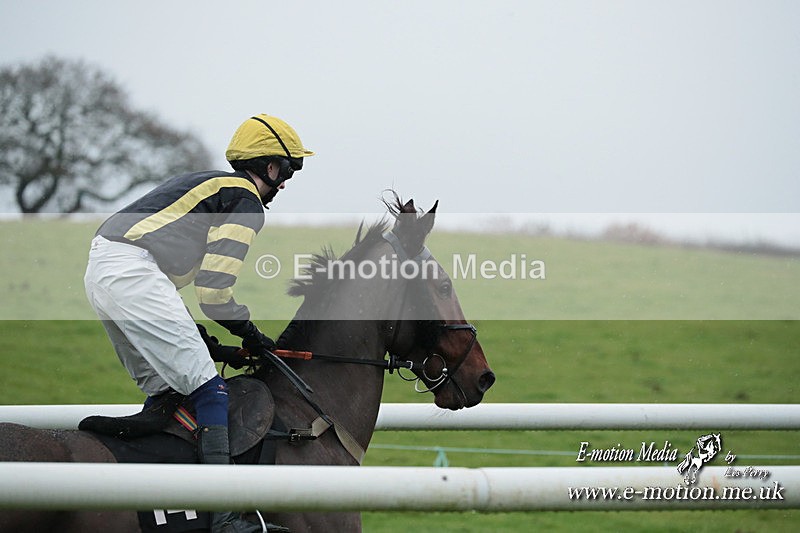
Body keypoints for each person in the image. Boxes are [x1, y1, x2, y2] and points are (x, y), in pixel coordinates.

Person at [84, 113, 313, 533]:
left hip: (106, 269)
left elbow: (172, 306)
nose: (285, 184)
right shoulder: (245, 201)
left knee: (166, 389)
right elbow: (214, 293)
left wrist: (215, 345)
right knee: (210, 390)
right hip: (131, 272)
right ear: (270, 165)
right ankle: (224, 516)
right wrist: (254, 336)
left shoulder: (212, 186)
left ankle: (162, 501)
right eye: (289, 171)